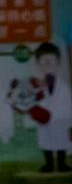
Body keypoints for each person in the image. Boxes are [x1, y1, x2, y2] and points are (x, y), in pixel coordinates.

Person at [26, 42, 70, 173]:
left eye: (51, 60)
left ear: (58, 62)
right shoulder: (36, 85)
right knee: (46, 141)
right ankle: (49, 164)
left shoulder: (64, 86)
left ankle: (62, 163)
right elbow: (32, 101)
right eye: (44, 60)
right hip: (44, 119)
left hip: (61, 119)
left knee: (62, 141)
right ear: (38, 64)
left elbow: (68, 103)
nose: (48, 63)